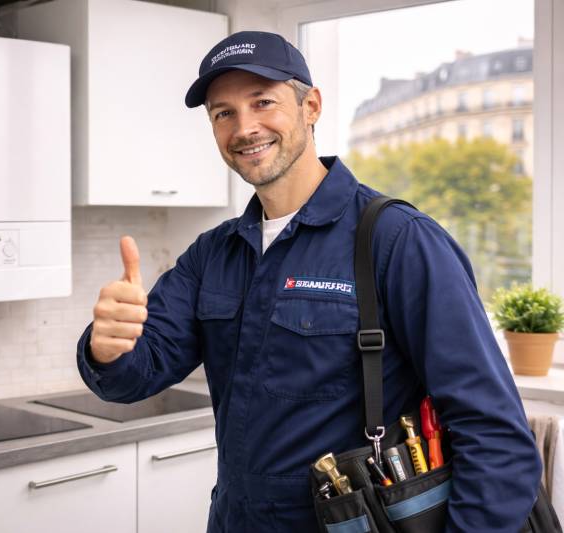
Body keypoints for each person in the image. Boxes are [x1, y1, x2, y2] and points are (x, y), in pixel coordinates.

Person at [75, 30, 541, 532]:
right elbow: (136, 377)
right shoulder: (213, 254)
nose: (244, 127)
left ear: (311, 106)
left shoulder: (397, 240)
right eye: (223, 113)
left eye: (263, 102)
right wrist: (108, 347)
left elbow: (495, 437)